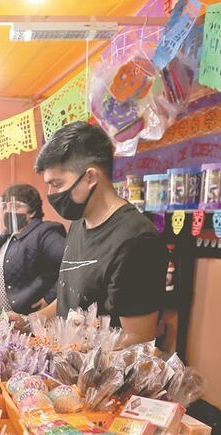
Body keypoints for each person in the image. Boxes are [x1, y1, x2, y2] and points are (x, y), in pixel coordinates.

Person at [29, 122, 167, 347]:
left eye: (57, 184)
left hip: (104, 377)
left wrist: (78, 349)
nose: (51, 195)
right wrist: (32, 321)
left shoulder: (136, 241)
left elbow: (138, 338)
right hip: (69, 371)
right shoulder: (79, 224)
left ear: (90, 177)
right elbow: (71, 299)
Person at [0, 184, 66, 315]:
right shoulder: (6, 237)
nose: (9, 211)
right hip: (1, 320)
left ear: (32, 211)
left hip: (28, 322)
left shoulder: (44, 233)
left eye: (16, 207)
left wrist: (51, 297)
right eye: (6, 207)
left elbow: (72, 263)